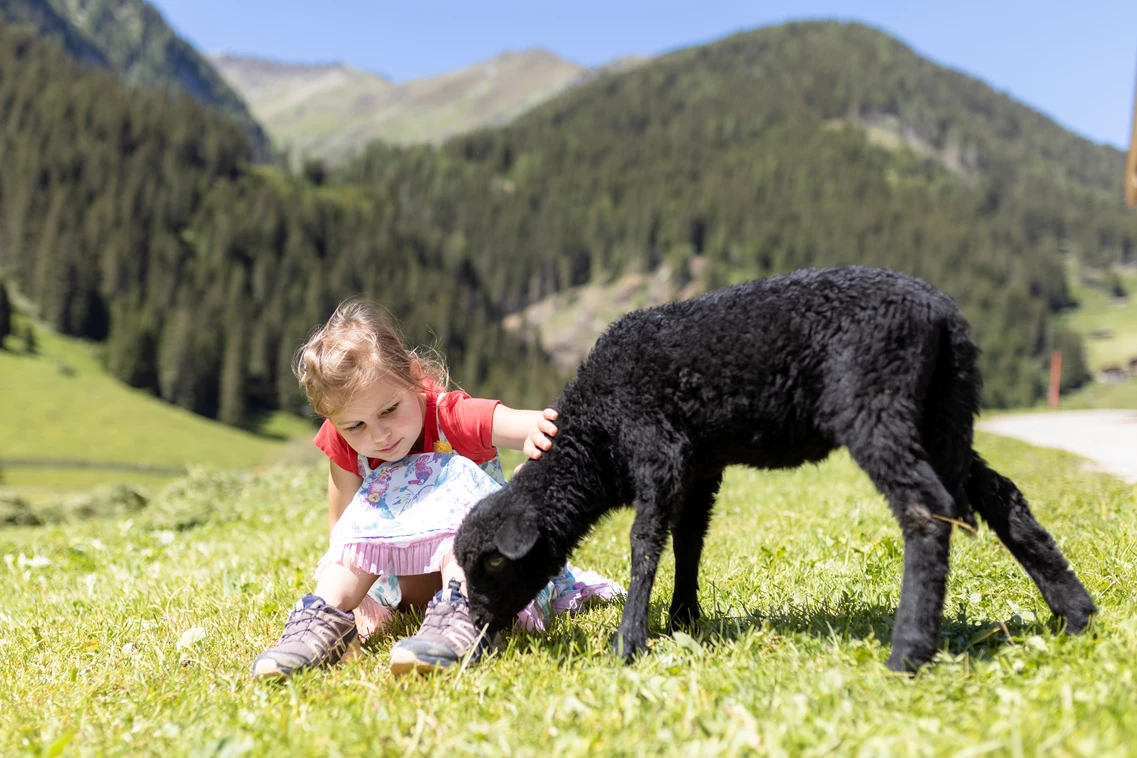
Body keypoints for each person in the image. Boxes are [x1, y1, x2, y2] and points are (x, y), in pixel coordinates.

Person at [252, 299, 621, 680]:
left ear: (413, 377)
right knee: (359, 532)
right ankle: (323, 620)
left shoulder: (451, 416)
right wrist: (359, 602)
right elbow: (344, 533)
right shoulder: (344, 441)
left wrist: (544, 445)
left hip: (488, 574)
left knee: (448, 486)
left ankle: (465, 615)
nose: (378, 435)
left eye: (389, 410)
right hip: (405, 584)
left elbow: (544, 427)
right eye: (355, 426)